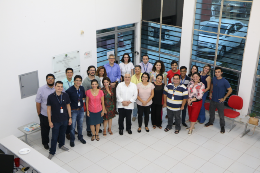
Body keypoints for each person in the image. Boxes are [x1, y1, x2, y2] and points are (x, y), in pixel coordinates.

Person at [47, 81, 72, 160]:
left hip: (64, 119)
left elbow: (68, 106)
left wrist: (70, 117)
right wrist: (50, 121)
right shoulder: (50, 97)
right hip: (55, 120)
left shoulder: (65, 95)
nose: (60, 88)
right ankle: (52, 152)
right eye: (58, 86)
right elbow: (48, 109)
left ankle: (61, 145)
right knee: (54, 137)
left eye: (61, 86)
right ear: (55, 87)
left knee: (62, 134)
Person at [205, 67, 232, 134]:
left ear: (221, 73)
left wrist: (224, 98)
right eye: (216, 72)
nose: (217, 73)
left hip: (220, 101)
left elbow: (230, 90)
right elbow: (211, 85)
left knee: (221, 115)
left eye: (218, 72)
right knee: (211, 112)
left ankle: (222, 127)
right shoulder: (214, 79)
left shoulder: (225, 81)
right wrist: (210, 92)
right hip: (213, 100)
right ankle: (210, 122)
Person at [35, 74, 56, 150]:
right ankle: (45, 143)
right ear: (46, 80)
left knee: (56, 129)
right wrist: (39, 113)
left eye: (52, 78)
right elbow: (38, 102)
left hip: (55, 114)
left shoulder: (57, 88)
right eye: (49, 78)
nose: (50, 79)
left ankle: (56, 140)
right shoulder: (41, 89)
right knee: (45, 130)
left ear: (54, 79)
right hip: (44, 114)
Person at [66, 75, 86, 147]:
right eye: (77, 80)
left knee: (80, 125)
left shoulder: (82, 88)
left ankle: (80, 137)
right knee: (72, 127)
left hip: (81, 109)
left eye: (80, 80)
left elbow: (83, 97)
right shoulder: (69, 90)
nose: (78, 82)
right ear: (74, 81)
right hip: (73, 111)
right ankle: (72, 140)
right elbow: (67, 102)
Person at [82, 65, 101, 137]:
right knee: (89, 116)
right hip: (89, 102)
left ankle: (97, 128)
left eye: (94, 70)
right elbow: (84, 92)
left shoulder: (97, 78)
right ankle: (89, 130)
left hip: (97, 100)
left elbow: (99, 88)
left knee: (97, 115)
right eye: (91, 70)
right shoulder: (85, 81)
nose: (92, 71)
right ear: (88, 71)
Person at [62, 68, 75, 140]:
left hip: (74, 102)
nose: (69, 73)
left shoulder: (75, 81)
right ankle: (67, 133)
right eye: (68, 72)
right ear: (66, 73)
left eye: (71, 72)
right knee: (68, 118)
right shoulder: (63, 82)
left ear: (73, 73)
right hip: (66, 103)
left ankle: (73, 130)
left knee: (74, 117)